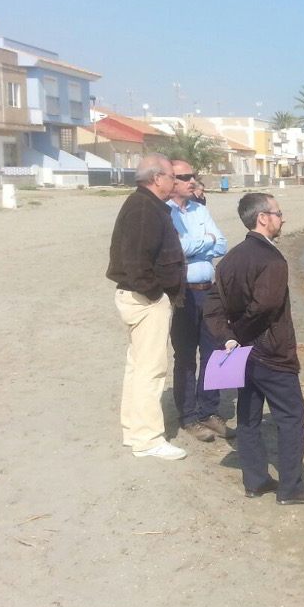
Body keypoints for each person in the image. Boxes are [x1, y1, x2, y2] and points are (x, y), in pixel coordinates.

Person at [205, 193, 304, 505]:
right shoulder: (272, 260)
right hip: (270, 352)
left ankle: (256, 481)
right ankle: (291, 488)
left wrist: (229, 338)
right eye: (279, 213)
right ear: (263, 218)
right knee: (291, 415)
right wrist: (237, 336)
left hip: (242, 353)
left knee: (248, 416)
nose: (283, 218)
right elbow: (264, 308)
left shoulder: (231, 257)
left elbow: (214, 308)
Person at [106, 154, 187, 461]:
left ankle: (133, 431)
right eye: (171, 176)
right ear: (157, 178)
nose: (174, 182)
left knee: (137, 366)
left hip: (137, 297)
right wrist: (156, 294)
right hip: (144, 299)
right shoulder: (143, 207)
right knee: (151, 370)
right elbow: (136, 259)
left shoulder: (145, 204)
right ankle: (148, 439)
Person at [166, 160, 233, 443]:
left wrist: (197, 245)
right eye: (185, 177)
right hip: (183, 292)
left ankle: (209, 410)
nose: (192, 181)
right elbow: (176, 249)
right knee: (185, 357)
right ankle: (189, 416)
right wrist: (203, 243)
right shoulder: (164, 213)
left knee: (214, 353)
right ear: (170, 180)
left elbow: (222, 243)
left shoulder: (200, 208)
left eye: (193, 176)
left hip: (210, 290)